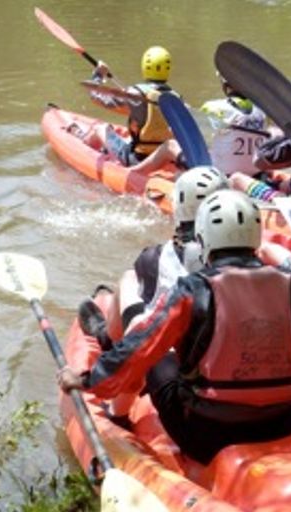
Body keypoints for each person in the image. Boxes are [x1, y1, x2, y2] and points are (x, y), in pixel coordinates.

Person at [59, 189, 291, 464]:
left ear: (203, 241)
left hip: (206, 436)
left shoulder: (192, 290)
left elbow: (139, 347)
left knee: (153, 347)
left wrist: (86, 380)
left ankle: (119, 416)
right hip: (280, 424)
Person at [76, 166, 227, 427]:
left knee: (133, 296)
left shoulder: (157, 257)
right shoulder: (268, 274)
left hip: (191, 388)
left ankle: (118, 408)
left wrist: (89, 380)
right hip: (246, 380)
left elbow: (147, 332)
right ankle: (109, 338)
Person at [78, 46, 182, 174]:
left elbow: (95, 96)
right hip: (164, 159)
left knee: (100, 128)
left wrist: (98, 74)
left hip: (137, 159)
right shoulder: (177, 98)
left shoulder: (135, 94)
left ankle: (79, 148)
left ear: (145, 67)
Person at [199, 73, 272, 177]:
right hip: (257, 174)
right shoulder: (263, 110)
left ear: (225, 85)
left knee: (171, 145)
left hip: (225, 176)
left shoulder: (213, 107)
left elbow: (197, 136)